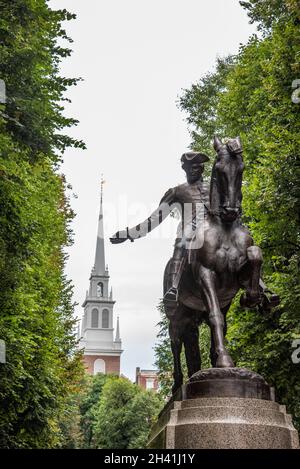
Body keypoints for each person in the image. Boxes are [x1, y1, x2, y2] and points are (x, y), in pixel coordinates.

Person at [110, 151, 210, 301]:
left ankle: (256, 285)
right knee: (183, 240)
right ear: (184, 169)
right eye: (190, 167)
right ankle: (174, 287)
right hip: (190, 234)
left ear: (202, 168)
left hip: (216, 231)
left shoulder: (215, 188)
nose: (193, 170)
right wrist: (129, 233)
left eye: (196, 167)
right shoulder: (176, 192)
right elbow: (155, 218)